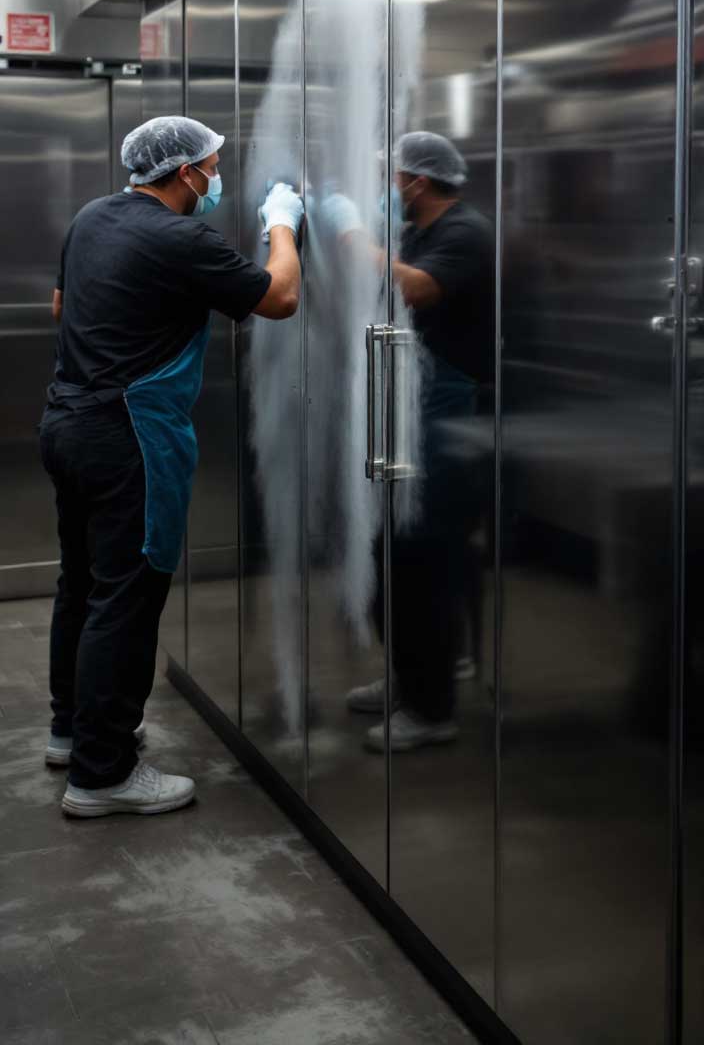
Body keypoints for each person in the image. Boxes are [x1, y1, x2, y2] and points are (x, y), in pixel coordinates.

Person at [40, 116, 303, 817]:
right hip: (129, 437)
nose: (217, 177)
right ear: (186, 173)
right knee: (125, 599)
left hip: (67, 422)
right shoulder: (180, 236)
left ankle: (73, 732)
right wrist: (283, 225)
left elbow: (62, 305)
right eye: (213, 166)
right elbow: (279, 297)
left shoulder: (94, 216)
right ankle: (103, 775)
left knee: (84, 583)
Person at [324, 132, 493, 751]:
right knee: (391, 549)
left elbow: (415, 288)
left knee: (424, 553)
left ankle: (432, 707)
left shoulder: (466, 232)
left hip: (445, 416)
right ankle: (408, 678)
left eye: (392, 178)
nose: (388, 188)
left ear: (418, 182)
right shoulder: (423, 228)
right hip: (408, 406)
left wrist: (350, 232)